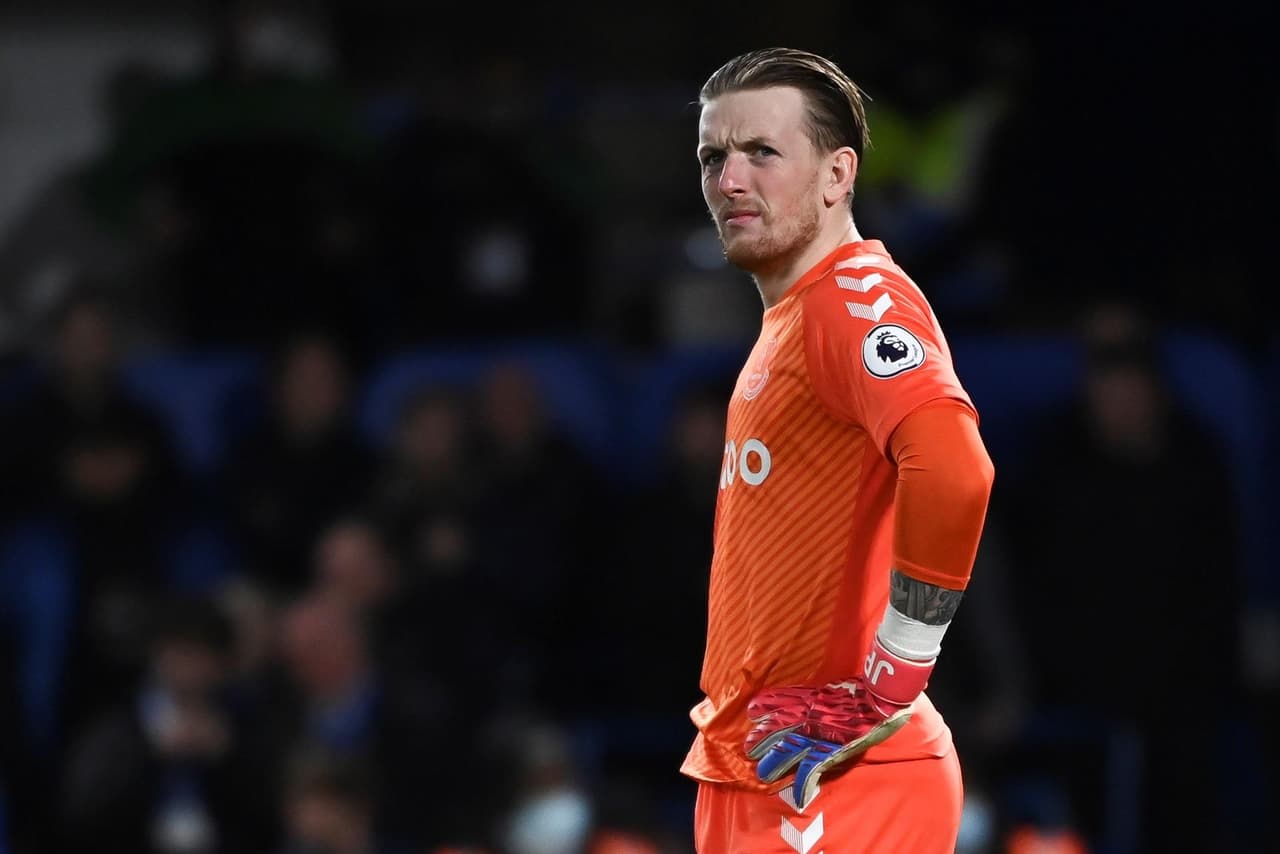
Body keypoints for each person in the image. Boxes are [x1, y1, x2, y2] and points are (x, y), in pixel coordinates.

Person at [679, 48, 995, 853]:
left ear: (837, 174)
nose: (730, 179)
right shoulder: (792, 317)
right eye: (714, 157)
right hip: (768, 762)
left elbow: (956, 469)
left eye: (762, 152)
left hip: (836, 777)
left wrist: (892, 680)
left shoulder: (853, 302)